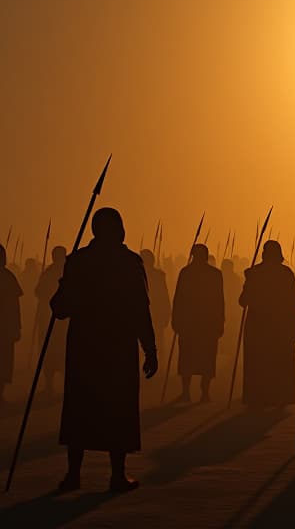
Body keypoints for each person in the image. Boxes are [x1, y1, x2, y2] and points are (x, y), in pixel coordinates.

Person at [50, 208, 158, 492]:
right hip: (117, 346)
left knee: (80, 406)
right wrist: (150, 347)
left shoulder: (78, 261)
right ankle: (116, 475)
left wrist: (64, 287)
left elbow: (60, 308)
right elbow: (140, 310)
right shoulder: (129, 262)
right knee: (116, 407)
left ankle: (74, 474)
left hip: (85, 345)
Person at [239, 240, 295, 408]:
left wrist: (249, 280)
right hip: (279, 326)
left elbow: (243, 301)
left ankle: (258, 397)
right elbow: (292, 304)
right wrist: (294, 328)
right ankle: (279, 397)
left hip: (259, 326)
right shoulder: (286, 274)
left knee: (259, 362)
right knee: (278, 362)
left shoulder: (255, 274)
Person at [171, 244, 225, 403]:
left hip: (200, 323)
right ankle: (195, 392)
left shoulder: (189, 273)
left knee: (200, 357)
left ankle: (198, 392)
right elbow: (179, 298)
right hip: (196, 323)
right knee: (194, 357)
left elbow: (219, 300)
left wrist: (220, 321)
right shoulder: (192, 273)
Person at [36, 246, 69, 396]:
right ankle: (49, 384)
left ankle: (64, 385)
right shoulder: (49, 273)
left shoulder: (69, 272)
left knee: (63, 353)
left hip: (64, 321)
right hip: (49, 318)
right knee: (49, 353)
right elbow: (38, 291)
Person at [0, 244, 21, 406]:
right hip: (6, 327)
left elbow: (15, 306)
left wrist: (17, 327)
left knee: (5, 362)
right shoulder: (7, 276)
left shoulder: (8, 277)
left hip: (6, 327)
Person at [141, 249, 171, 360]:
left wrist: (167, 313)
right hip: (146, 313)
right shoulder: (138, 274)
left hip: (155, 314)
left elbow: (164, 295)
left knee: (157, 340)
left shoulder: (158, 276)